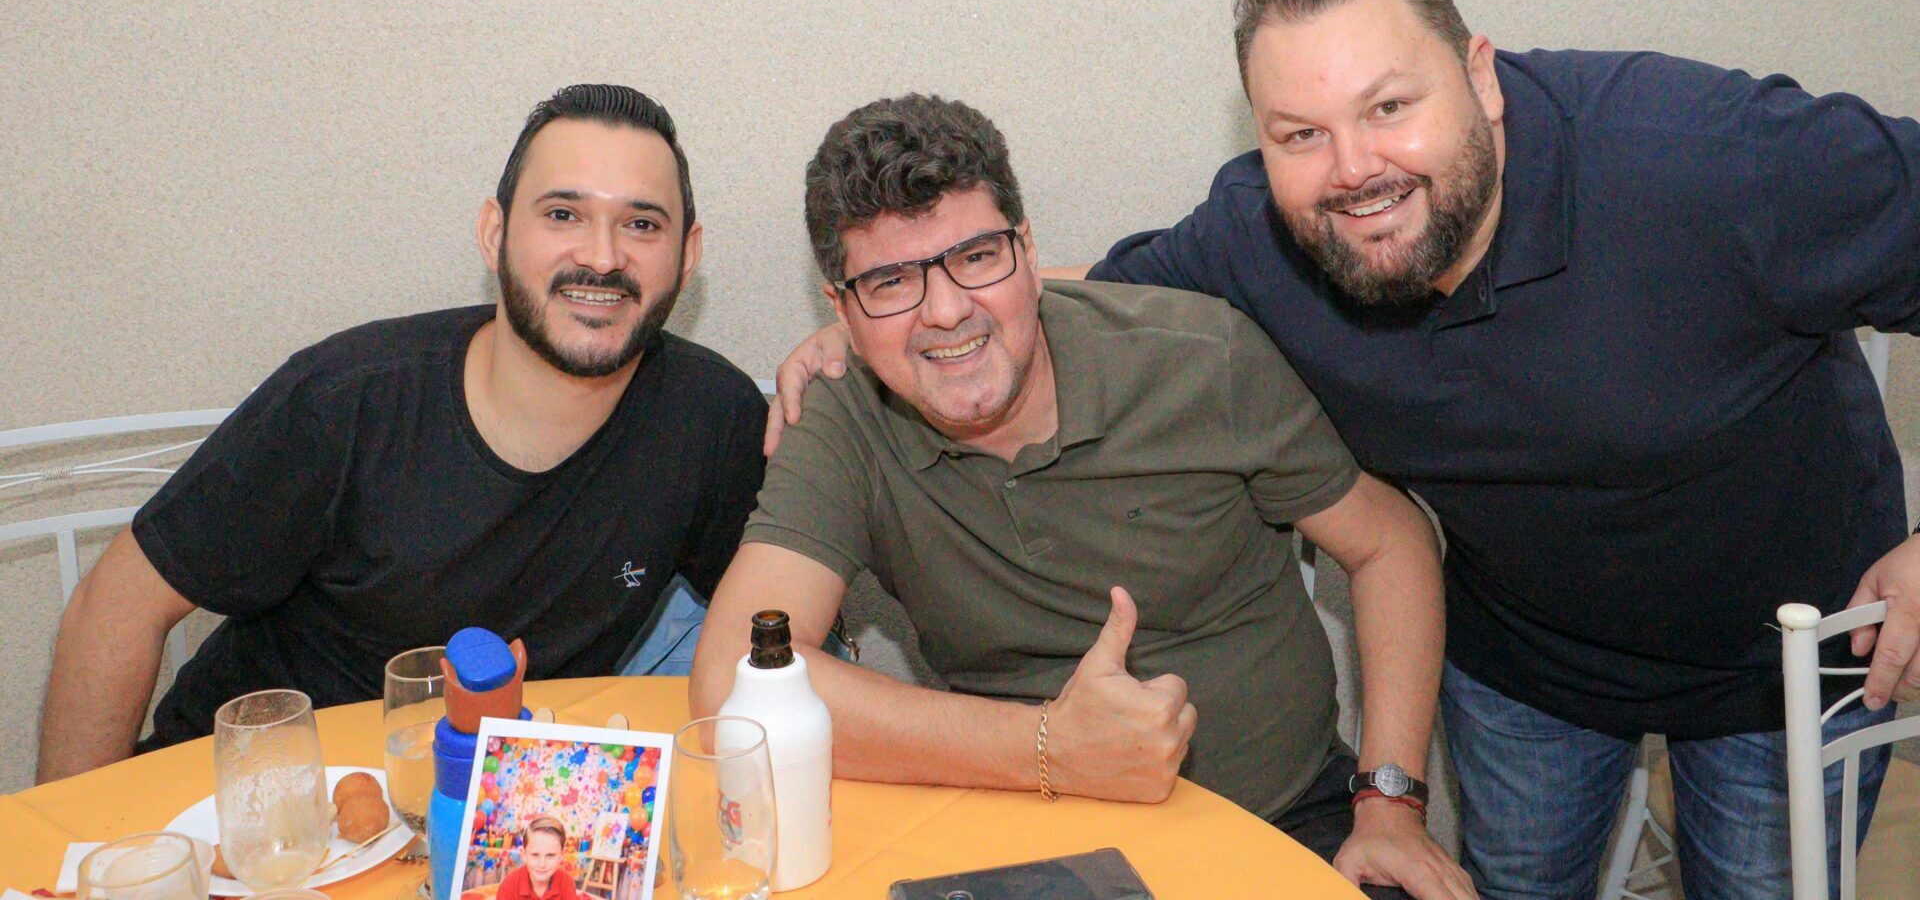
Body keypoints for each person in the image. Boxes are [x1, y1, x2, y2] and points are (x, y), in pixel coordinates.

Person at [765, 0, 1920, 900]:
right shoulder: (1265, 237)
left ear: (1482, 73)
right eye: (1299, 132)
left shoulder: (1711, 162)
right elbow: (1088, 297)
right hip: (1528, 664)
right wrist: (899, 319)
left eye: (1390, 106)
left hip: (1779, 652)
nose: (1353, 168)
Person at [694, 95, 1474, 900]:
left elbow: (1390, 543)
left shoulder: (1198, 360)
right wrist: (1048, 747)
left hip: (1285, 818)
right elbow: (730, 682)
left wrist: (1390, 804)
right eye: (891, 281)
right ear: (842, 310)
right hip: (1024, 837)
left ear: (1029, 253)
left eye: (977, 257)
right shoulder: (843, 417)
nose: (947, 310)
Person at [38, 84, 767, 781]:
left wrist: (830, 380)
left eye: (642, 225)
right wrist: (69, 846)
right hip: (249, 801)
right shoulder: (347, 402)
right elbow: (117, 606)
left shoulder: (712, 420)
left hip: (490, 812)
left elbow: (781, 633)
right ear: (494, 234)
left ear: (687, 255)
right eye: (562, 214)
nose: (602, 258)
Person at [494, 817, 579, 900]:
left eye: (550, 855)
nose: (542, 864)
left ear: (562, 855)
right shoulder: (509, 886)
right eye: (535, 855)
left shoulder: (566, 884)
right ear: (524, 854)